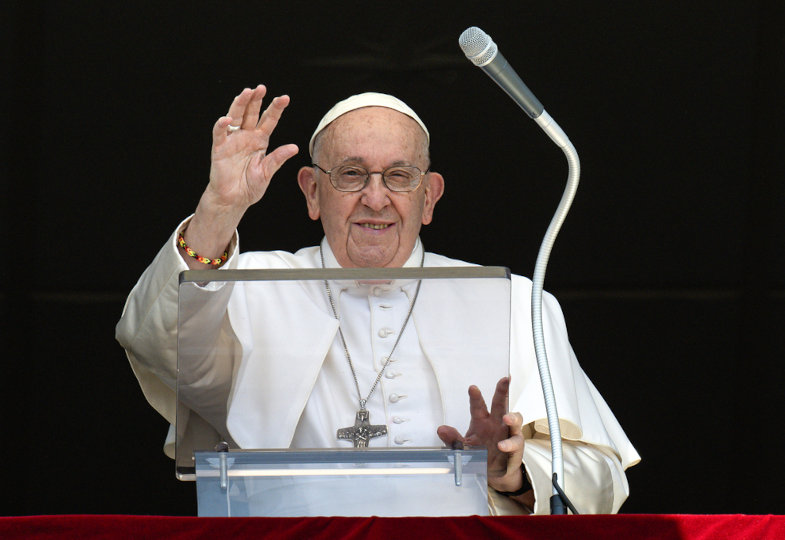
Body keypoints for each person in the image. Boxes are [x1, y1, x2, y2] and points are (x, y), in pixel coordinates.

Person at [116, 85, 639, 515]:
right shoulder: (251, 286)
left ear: (429, 196)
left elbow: (599, 480)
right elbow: (154, 343)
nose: (375, 197)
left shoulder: (513, 302)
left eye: (398, 176)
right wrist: (219, 210)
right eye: (349, 174)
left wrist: (512, 471)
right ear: (311, 192)